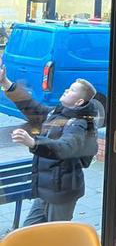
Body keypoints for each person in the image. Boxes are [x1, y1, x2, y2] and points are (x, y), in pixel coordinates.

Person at [0, 68, 98, 225]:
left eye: (72, 90)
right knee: (29, 231)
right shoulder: (58, 114)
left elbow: (66, 147)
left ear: (79, 102)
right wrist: (6, 83)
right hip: (47, 190)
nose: (66, 90)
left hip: (62, 193)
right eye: (69, 87)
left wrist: (34, 143)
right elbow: (31, 107)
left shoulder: (79, 124)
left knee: (57, 234)